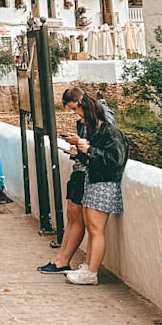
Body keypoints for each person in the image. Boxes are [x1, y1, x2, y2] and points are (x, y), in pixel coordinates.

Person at [38, 88, 117, 275]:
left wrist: (81, 144)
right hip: (80, 168)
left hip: (90, 172)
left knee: (88, 223)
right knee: (73, 215)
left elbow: (104, 141)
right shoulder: (84, 120)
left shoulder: (101, 117)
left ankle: (75, 264)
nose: (76, 113)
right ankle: (61, 258)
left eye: (75, 108)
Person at [65, 94, 128, 285]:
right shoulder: (98, 132)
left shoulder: (111, 133)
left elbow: (114, 160)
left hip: (104, 184)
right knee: (93, 228)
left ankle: (92, 271)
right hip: (93, 181)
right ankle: (88, 266)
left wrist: (88, 149)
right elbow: (93, 159)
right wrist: (80, 152)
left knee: (96, 228)